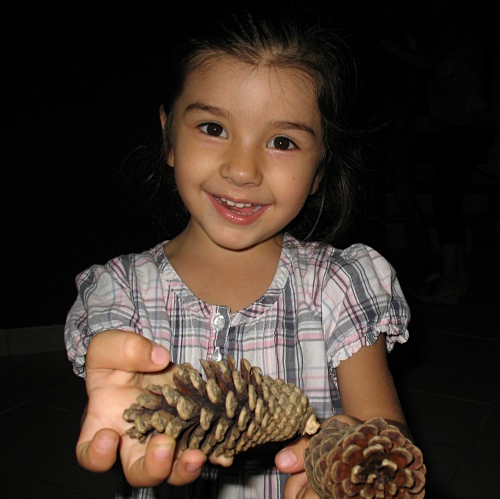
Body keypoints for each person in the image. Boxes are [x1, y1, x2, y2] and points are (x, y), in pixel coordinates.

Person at [65, 7, 412, 498]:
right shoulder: (120, 291)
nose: (243, 170)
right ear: (169, 135)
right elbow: (116, 406)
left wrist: (356, 476)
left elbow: (385, 438)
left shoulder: (339, 285)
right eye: (213, 128)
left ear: (318, 171)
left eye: (282, 141)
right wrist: (120, 414)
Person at [381, 0, 496, 304]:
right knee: (448, 200)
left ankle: (451, 280)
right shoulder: (449, 27)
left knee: (446, 199)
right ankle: (455, 277)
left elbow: (429, 64)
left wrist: (384, 43)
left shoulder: (459, 24)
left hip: (466, 126)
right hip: (456, 126)